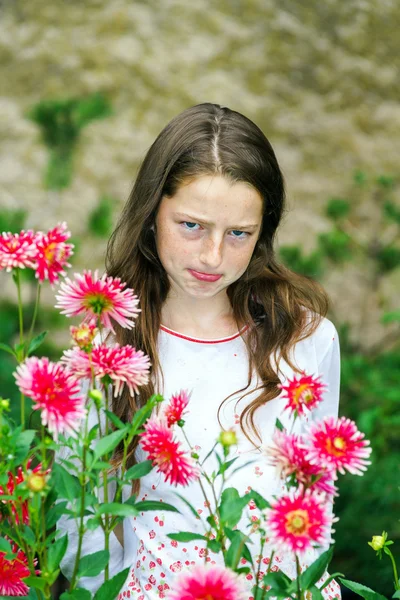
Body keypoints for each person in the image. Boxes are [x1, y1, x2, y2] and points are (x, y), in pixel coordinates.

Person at [58, 103, 341, 599]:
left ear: (264, 231)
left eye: (238, 234)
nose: (213, 257)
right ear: (151, 215)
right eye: (192, 225)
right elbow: (78, 527)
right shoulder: (105, 348)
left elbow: (315, 503)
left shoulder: (307, 339)